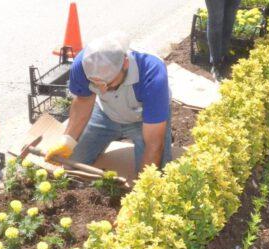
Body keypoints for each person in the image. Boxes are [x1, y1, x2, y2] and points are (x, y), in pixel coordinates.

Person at [43, 33, 172, 175]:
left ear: (125, 63)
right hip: (105, 114)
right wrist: (67, 140)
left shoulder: (152, 73)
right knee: (71, 165)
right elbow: (83, 101)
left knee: (154, 173)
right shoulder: (84, 64)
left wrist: (142, 189)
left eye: (108, 83)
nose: (102, 90)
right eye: (96, 84)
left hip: (143, 120)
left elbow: (153, 144)